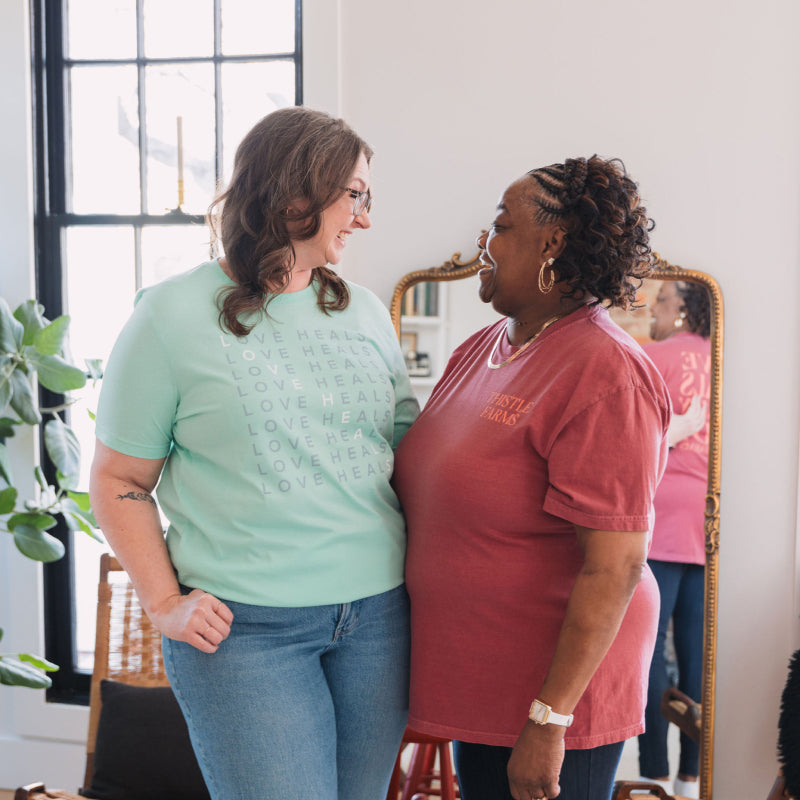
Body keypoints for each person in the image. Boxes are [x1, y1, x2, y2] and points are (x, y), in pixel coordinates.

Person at [88, 106, 419, 800]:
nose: (364, 218)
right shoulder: (168, 316)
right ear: (297, 194)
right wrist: (163, 602)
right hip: (244, 633)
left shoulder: (363, 311)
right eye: (354, 196)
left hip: (379, 622)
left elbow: (403, 454)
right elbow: (119, 477)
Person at [392, 156, 671, 800]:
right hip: (482, 676)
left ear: (552, 243)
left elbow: (616, 566)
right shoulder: (483, 348)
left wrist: (550, 720)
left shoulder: (606, 371)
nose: (484, 242)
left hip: (549, 697)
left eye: (500, 226)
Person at [637, 280, 711, 800]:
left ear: (682, 307)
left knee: (647, 653)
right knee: (697, 654)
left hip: (661, 516)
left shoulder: (652, 357)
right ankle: (692, 779)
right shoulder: (723, 360)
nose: (652, 308)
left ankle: (653, 775)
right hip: (710, 519)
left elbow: (630, 436)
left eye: (661, 299)